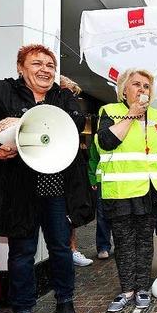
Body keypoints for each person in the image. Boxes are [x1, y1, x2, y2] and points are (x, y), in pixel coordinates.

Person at [0, 44, 93, 313]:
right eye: (37, 63)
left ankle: (65, 301)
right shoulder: (0, 91)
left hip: (56, 187)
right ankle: (22, 311)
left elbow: (75, 122)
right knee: (21, 253)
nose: (45, 69)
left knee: (60, 248)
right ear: (20, 67)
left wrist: (23, 119)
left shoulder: (62, 96)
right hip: (18, 189)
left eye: (50, 65)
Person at [96, 68, 157, 313]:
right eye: (136, 85)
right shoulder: (109, 112)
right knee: (123, 242)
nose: (142, 90)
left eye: (146, 86)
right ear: (123, 89)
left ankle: (142, 287)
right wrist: (132, 115)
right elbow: (106, 142)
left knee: (144, 241)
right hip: (120, 190)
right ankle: (127, 290)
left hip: (151, 191)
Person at [59, 75, 93, 267]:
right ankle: (67, 250)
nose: (71, 98)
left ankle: (71, 249)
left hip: (70, 165)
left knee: (70, 210)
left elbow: (77, 122)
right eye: (69, 92)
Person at [87, 129, 113, 259]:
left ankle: (122, 245)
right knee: (103, 217)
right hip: (103, 181)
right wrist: (92, 178)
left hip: (124, 182)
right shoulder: (98, 137)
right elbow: (93, 159)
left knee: (122, 216)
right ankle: (103, 247)